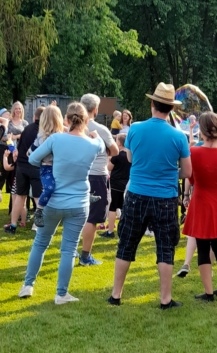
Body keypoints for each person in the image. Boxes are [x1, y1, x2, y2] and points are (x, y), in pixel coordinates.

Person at [108, 83, 192, 309]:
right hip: (165, 197)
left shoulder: (135, 129)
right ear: (171, 108)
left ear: (152, 104)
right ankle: (165, 299)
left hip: (136, 194)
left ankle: (116, 295)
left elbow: (131, 159)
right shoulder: (179, 136)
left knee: (126, 243)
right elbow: (187, 171)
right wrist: (170, 172)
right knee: (165, 247)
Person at [18, 101, 104, 302]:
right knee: (69, 249)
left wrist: (52, 162)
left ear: (67, 119)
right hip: (79, 203)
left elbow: (32, 159)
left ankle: (28, 285)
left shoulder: (56, 139)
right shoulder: (92, 144)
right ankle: (61, 293)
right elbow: (102, 144)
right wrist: (95, 134)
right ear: (86, 120)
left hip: (53, 201)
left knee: (40, 243)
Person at [182, 111, 217, 301]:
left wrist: (186, 194)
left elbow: (191, 178)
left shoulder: (193, 152)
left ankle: (209, 292)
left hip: (201, 201)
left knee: (202, 247)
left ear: (202, 131)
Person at [78, 94, 116, 267]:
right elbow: (115, 151)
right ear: (95, 109)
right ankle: (85, 256)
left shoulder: (73, 127)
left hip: (77, 174)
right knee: (92, 218)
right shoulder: (100, 129)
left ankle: (72, 251)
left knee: (79, 214)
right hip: (96, 175)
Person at [5, 106, 44, 233]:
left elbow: (20, 146)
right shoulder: (44, 131)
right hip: (35, 166)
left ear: (34, 117)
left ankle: (13, 225)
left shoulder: (27, 129)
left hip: (21, 166)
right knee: (38, 197)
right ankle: (38, 226)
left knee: (19, 196)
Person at [33, 104, 64, 227]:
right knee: (50, 188)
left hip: (60, 167)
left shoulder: (63, 135)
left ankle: (84, 195)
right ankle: (39, 210)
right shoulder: (41, 137)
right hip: (47, 167)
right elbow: (31, 152)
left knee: (71, 181)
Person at [102, 133, 131, 237]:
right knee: (124, 207)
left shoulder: (117, 155)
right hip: (126, 183)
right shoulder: (130, 155)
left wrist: (109, 160)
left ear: (119, 143)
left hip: (115, 183)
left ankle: (110, 231)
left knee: (113, 206)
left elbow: (109, 168)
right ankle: (125, 230)